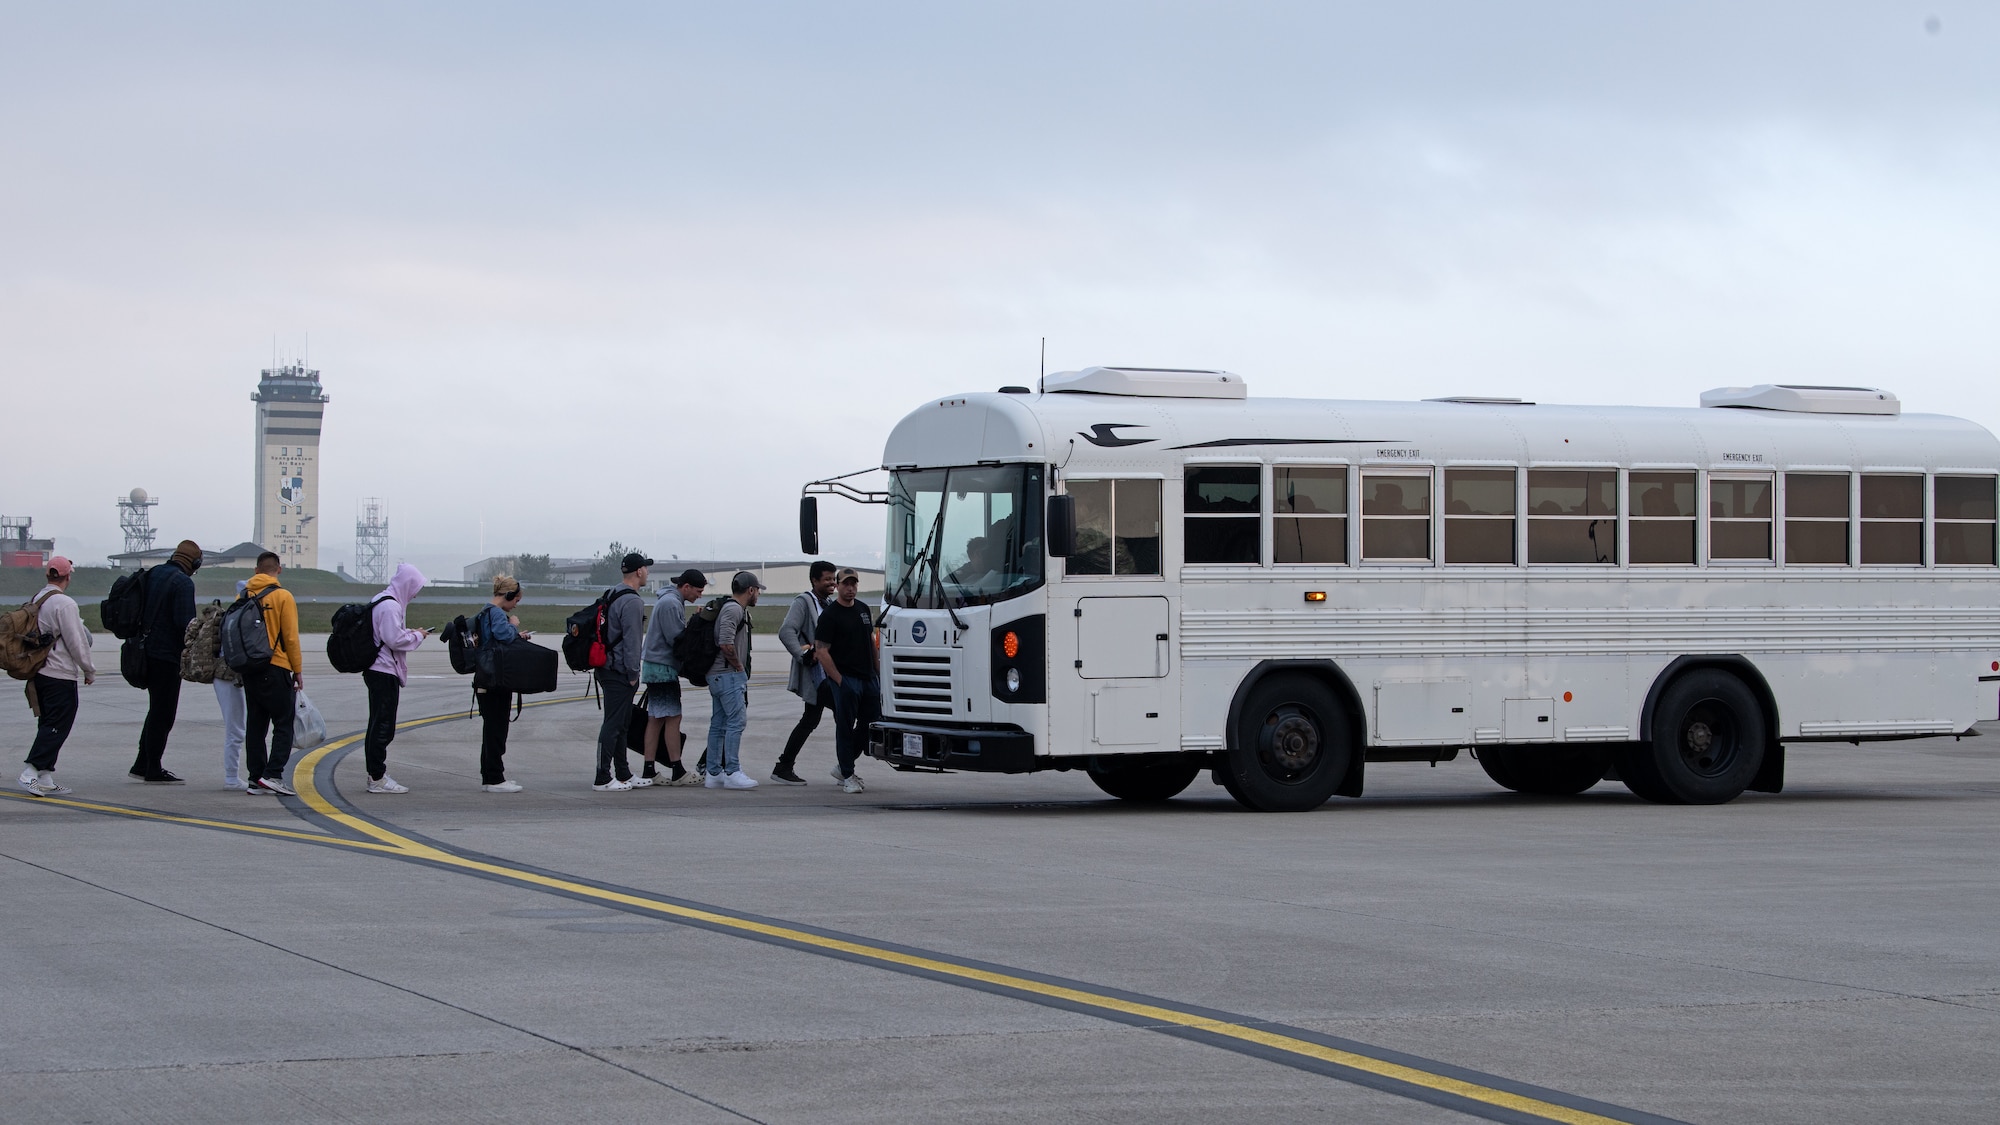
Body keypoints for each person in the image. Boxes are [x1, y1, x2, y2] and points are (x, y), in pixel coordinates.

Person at [18, 558, 93, 797]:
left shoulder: (37, 599)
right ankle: (29, 772)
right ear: (67, 577)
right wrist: (88, 669)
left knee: (48, 723)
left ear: (48, 575)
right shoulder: (64, 603)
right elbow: (76, 641)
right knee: (58, 725)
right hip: (59, 672)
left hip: (39, 672)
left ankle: (45, 775)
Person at [131, 539, 200, 783]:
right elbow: (186, 624)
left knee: (155, 709)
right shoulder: (183, 583)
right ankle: (153, 767)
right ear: (195, 563)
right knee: (164, 713)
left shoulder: (154, 573)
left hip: (142, 652)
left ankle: (142, 762)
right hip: (166, 656)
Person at [361, 563, 429, 794]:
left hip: (376, 669)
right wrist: (417, 637)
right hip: (384, 671)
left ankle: (375, 773)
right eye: (415, 587)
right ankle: (377, 777)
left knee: (377, 723)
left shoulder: (381, 599)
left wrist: (411, 632)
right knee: (383, 726)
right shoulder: (390, 606)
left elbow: (389, 634)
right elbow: (394, 640)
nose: (416, 593)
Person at [637, 568, 706, 786]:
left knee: (656, 718)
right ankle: (677, 769)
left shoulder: (669, 600)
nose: (699, 595)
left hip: (654, 666)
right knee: (673, 717)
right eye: (698, 590)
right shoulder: (671, 603)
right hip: (662, 667)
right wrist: (695, 625)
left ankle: (649, 769)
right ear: (686, 587)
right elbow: (676, 639)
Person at [242, 552, 303, 797]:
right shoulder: (282, 596)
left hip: (249, 668)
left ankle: (255, 778)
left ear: (257, 571)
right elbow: (290, 637)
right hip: (275, 665)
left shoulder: (243, 595)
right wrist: (297, 670)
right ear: (279, 570)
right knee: (283, 722)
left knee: (256, 725)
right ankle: (274, 774)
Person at [814, 567, 879, 794]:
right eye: (845, 584)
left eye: (854, 584)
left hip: (868, 677)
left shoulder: (862, 609)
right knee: (844, 725)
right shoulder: (830, 615)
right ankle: (848, 774)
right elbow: (821, 651)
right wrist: (840, 681)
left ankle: (843, 766)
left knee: (870, 723)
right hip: (846, 679)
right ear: (838, 586)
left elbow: (870, 641)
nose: (850, 588)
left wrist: (877, 672)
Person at [771, 561, 836, 784]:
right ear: (814, 580)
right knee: (843, 714)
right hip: (818, 675)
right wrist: (802, 655)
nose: (832, 583)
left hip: (829, 672)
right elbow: (786, 630)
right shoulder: (804, 602)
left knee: (811, 719)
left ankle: (784, 766)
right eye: (827, 579)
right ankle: (845, 769)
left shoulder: (827, 603)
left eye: (833, 578)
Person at [592, 552, 650, 792]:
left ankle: (623, 773)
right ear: (638, 572)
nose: (647, 572)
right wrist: (633, 673)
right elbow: (633, 641)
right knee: (613, 724)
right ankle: (602, 777)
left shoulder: (613, 593)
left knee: (622, 723)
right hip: (619, 671)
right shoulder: (633, 601)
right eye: (646, 568)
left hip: (607, 667)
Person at [704, 570, 763, 790]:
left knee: (719, 724)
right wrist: (738, 667)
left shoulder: (732, 608)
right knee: (736, 722)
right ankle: (732, 771)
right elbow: (726, 643)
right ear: (750, 590)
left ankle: (713, 773)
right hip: (727, 675)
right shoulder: (733, 609)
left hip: (719, 676)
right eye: (757, 590)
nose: (758, 595)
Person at [472, 576, 529, 793]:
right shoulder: (497, 613)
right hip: (496, 680)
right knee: (497, 729)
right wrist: (513, 626)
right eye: (515, 600)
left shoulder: (485, 611)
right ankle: (495, 778)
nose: (515, 605)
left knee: (491, 729)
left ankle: (491, 775)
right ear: (507, 595)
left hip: (485, 679)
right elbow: (502, 634)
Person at [213, 580, 249, 790]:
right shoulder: (241, 616)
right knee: (236, 728)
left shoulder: (233, 613)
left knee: (236, 727)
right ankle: (231, 777)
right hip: (229, 677)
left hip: (225, 676)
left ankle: (233, 775)